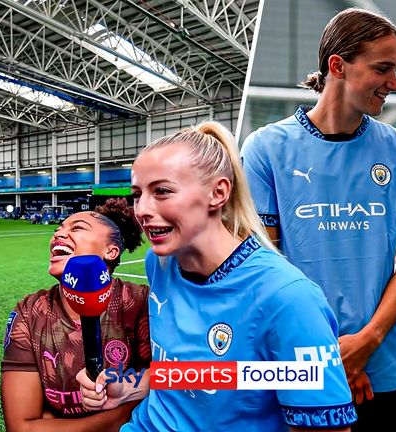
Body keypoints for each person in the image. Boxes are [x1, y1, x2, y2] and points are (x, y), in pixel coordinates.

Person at [78, 121, 357, 431]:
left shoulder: (288, 298)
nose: (141, 209)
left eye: (162, 192)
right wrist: (128, 385)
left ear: (218, 192)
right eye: (137, 194)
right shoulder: (160, 263)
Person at [241, 8, 396, 431]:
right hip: (301, 364)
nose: (395, 84)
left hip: (384, 367)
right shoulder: (266, 149)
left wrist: (367, 343)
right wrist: (330, 356)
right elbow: (267, 268)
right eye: (383, 68)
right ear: (337, 66)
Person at [1, 198, 150, 432]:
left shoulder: (139, 301)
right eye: (57, 230)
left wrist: (52, 421)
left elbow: (173, 384)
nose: (58, 236)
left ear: (111, 251)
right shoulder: (29, 311)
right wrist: (125, 413)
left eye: (77, 228)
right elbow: (21, 427)